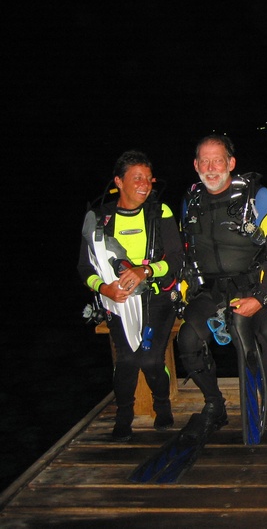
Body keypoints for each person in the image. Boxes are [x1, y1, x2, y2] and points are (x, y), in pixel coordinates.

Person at [177, 134, 267, 443]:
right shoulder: (190, 202)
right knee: (188, 339)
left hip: (258, 284)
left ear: (231, 163)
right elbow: (185, 253)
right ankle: (215, 405)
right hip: (213, 290)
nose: (211, 167)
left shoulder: (257, 195)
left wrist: (259, 298)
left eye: (218, 160)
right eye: (204, 160)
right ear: (195, 165)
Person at [78, 150, 182, 442]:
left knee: (150, 360)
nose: (145, 184)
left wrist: (145, 272)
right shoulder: (99, 218)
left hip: (158, 297)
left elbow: (176, 258)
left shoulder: (160, 212)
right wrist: (104, 288)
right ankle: (124, 414)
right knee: (126, 360)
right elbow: (85, 267)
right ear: (118, 182)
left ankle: (162, 405)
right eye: (137, 178)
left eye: (149, 179)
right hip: (118, 300)